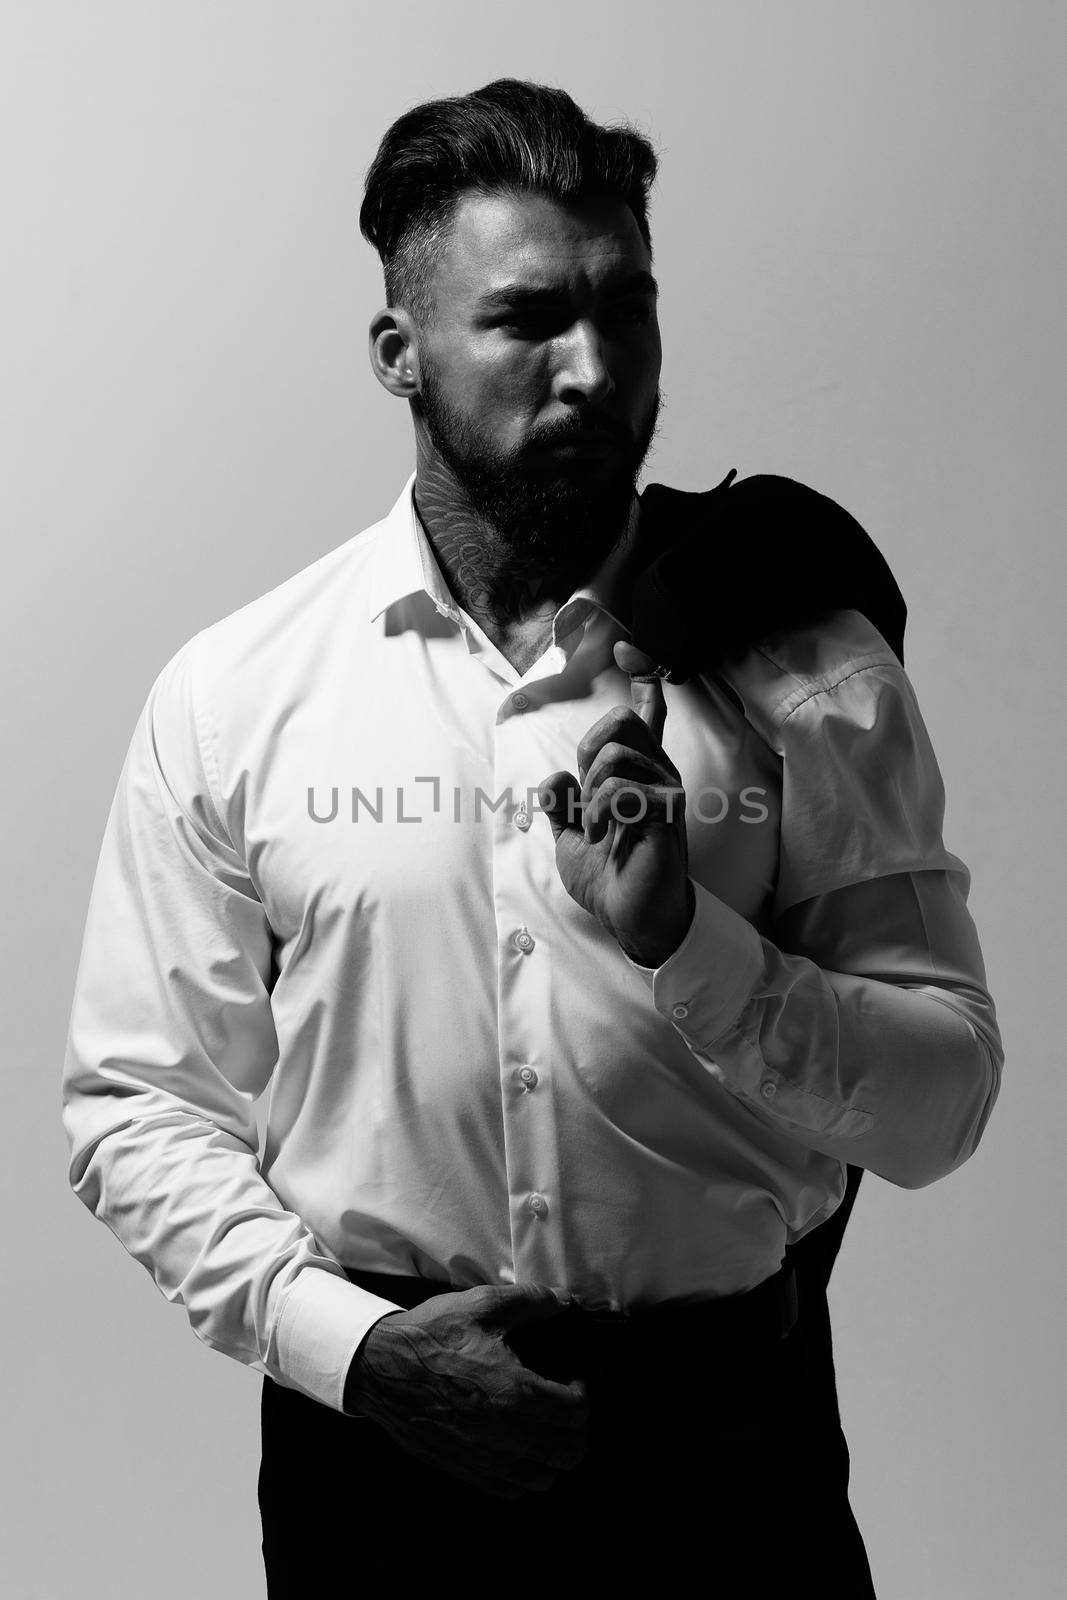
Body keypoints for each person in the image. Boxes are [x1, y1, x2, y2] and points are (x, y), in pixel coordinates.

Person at [62, 79, 1003, 1594]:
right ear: (399, 351)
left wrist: (686, 944)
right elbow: (133, 1105)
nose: (591, 368)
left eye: (626, 310)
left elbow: (942, 1102)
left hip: (730, 1465)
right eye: (525, 319)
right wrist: (354, 1354)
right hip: (376, 1457)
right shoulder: (235, 696)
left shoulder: (809, 665)